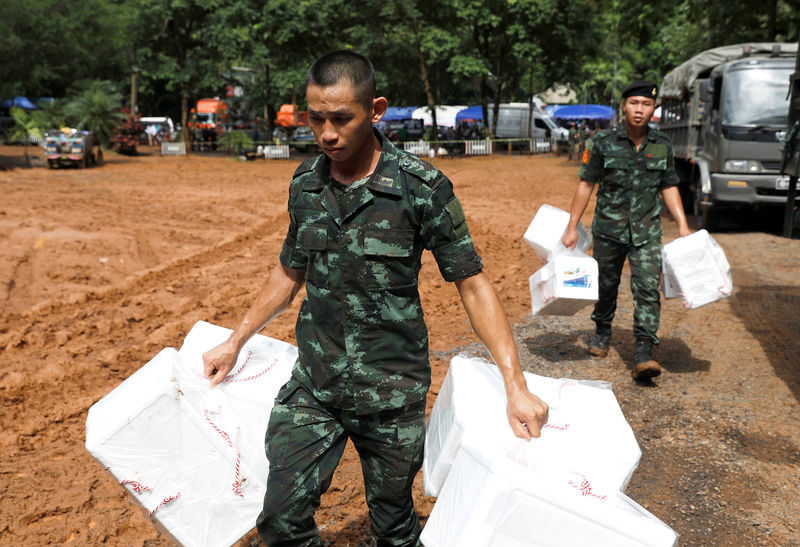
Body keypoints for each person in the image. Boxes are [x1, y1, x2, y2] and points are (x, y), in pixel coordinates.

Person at [202, 50, 549, 546]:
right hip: (316, 385)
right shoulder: (306, 182)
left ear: (376, 109)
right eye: (315, 118)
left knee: (393, 527)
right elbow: (288, 271)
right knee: (280, 519)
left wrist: (515, 385)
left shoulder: (421, 188)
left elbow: (472, 284)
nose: (326, 133)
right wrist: (235, 341)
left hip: (391, 391)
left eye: (341, 118)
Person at [561, 79, 691, 381]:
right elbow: (586, 184)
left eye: (646, 104)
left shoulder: (662, 145)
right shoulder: (601, 142)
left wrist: (683, 225)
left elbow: (669, 184)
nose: (639, 110)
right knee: (606, 285)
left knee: (646, 289)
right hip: (608, 230)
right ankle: (602, 331)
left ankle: (644, 351)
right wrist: (571, 227)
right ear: (624, 106)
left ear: (653, 109)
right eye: (634, 103)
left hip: (647, 232)